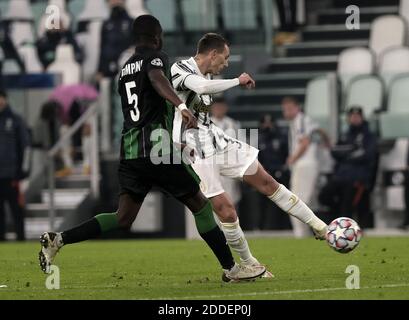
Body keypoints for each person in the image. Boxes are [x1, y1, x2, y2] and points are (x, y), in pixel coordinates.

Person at [39, 15, 266, 283]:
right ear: (157, 36)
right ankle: (232, 268)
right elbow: (158, 79)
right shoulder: (156, 58)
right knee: (201, 206)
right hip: (157, 148)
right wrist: (181, 106)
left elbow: (140, 105)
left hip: (131, 150)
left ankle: (59, 239)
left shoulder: (124, 69)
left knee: (123, 217)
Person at [170, 33, 328, 270]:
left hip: (215, 138)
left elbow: (205, 92)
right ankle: (248, 263)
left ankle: (320, 227)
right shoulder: (180, 68)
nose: (225, 63)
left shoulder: (211, 74)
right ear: (212, 54)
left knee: (266, 182)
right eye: (224, 58)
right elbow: (200, 85)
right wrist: (237, 80)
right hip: (191, 145)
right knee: (226, 209)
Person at [318, 106, 378, 228]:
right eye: (352, 116)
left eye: (357, 116)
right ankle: (337, 218)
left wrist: (345, 154)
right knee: (324, 196)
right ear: (348, 118)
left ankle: (346, 233)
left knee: (347, 207)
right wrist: (352, 151)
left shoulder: (368, 136)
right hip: (340, 177)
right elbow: (334, 152)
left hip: (357, 179)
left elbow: (367, 155)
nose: (355, 118)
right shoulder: (345, 135)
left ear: (362, 117)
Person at [282, 96, 320, 238]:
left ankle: (301, 235)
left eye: (289, 109)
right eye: (285, 109)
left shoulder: (300, 120)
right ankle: (305, 233)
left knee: (295, 202)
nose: (286, 112)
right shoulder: (302, 121)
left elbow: (304, 142)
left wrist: (292, 158)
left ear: (298, 108)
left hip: (304, 165)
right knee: (304, 201)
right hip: (306, 165)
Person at [0, 90, 30, 241]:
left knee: (17, 211)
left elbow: (25, 147)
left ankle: (21, 240)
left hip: (13, 175)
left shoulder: (16, 120)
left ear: (5, 99)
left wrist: (23, 172)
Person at [257, 114, 290, 230]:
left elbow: (287, 155)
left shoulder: (281, 138)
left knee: (284, 200)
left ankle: (285, 227)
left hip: (280, 173)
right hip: (264, 174)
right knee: (263, 204)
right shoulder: (258, 139)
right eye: (265, 123)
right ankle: (263, 227)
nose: (268, 126)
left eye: (270, 123)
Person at [210, 97, 241, 206]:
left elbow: (240, 146)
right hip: (212, 168)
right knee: (213, 201)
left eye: (221, 106)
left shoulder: (234, 124)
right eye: (216, 106)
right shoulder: (205, 124)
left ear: (225, 108)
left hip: (229, 167)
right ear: (212, 108)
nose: (218, 109)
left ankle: (233, 223)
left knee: (231, 200)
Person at [95, 0, 134, 80]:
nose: (115, 2)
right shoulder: (106, 24)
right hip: (108, 67)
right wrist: (100, 70)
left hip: (125, 67)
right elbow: (102, 48)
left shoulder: (131, 22)